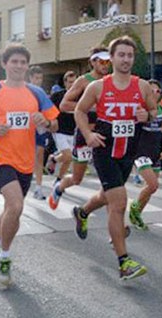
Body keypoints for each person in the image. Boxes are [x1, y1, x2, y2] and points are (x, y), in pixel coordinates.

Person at [0, 44, 60, 286]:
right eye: (14, 61)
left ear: (27, 66)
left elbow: (55, 123)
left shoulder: (36, 93)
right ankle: (5, 258)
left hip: (25, 161)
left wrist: (45, 122)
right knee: (16, 205)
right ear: (4, 64)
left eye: (23, 62)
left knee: (11, 210)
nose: (19, 66)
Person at [73, 36, 157, 280]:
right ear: (111, 58)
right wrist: (88, 134)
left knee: (107, 195)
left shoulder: (142, 86)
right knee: (118, 203)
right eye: (121, 55)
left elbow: (154, 111)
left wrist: (147, 116)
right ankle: (124, 263)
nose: (126, 59)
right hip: (104, 149)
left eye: (130, 55)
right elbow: (79, 110)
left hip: (128, 150)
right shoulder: (98, 86)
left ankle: (83, 212)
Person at [48, 46, 110, 211]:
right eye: (102, 61)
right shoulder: (84, 81)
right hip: (85, 134)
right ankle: (59, 187)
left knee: (111, 180)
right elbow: (64, 104)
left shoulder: (112, 80)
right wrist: (90, 107)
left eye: (108, 61)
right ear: (93, 62)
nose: (105, 65)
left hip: (105, 134)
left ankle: (114, 217)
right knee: (77, 178)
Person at [127, 79, 162, 230]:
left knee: (151, 188)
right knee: (153, 184)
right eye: (152, 91)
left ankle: (137, 215)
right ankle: (135, 206)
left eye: (158, 91)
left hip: (155, 152)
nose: (155, 93)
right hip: (140, 151)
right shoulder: (140, 108)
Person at [47, 71, 78, 180]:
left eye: (74, 82)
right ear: (65, 83)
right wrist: (51, 122)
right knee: (68, 156)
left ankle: (54, 161)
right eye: (70, 82)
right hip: (59, 131)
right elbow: (48, 109)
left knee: (68, 158)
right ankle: (59, 180)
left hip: (73, 131)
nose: (72, 85)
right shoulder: (57, 96)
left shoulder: (81, 96)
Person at [27, 66, 50, 200]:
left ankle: (38, 187)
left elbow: (49, 112)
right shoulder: (24, 91)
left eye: (40, 78)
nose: (38, 81)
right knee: (27, 155)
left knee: (39, 155)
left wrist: (46, 122)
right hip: (25, 129)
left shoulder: (42, 93)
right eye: (36, 78)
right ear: (30, 78)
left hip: (39, 128)